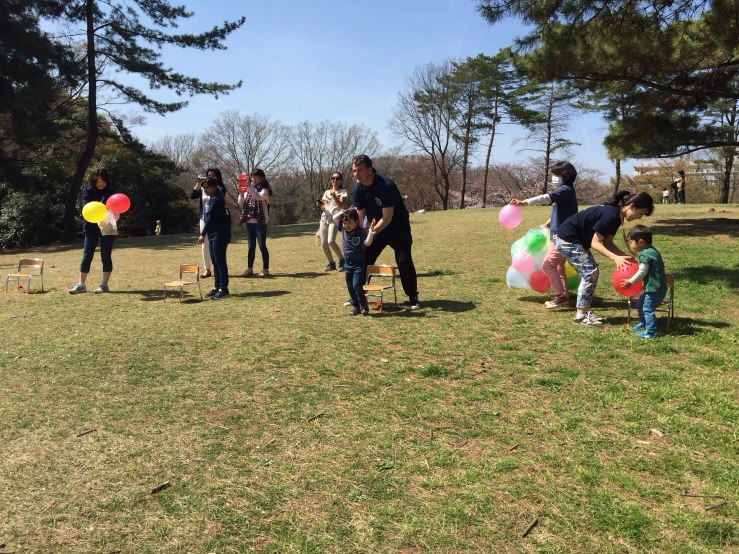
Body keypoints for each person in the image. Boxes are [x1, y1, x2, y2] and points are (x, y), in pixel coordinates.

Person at [554, 190, 655, 326]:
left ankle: (583, 313)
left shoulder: (617, 217)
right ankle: (581, 316)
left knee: (591, 273)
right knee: (590, 274)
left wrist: (624, 257)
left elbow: (608, 242)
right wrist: (615, 258)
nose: (640, 217)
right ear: (631, 206)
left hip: (573, 240)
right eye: (641, 213)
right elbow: (595, 243)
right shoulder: (611, 215)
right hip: (567, 239)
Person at [351, 154, 420, 310]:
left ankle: (413, 297)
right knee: (364, 256)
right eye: (354, 171)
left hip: (397, 226)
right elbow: (359, 217)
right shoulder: (357, 189)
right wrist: (359, 234)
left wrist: (371, 233)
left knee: (403, 259)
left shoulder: (386, 185)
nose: (356, 174)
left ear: (370, 169)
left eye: (359, 170)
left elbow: (387, 218)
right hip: (376, 226)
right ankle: (358, 295)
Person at [510, 161, 579, 309]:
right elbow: (564, 212)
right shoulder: (567, 190)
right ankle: (564, 295)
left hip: (562, 237)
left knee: (548, 265)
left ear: (564, 175)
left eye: (555, 174)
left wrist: (524, 202)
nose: (553, 177)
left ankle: (560, 296)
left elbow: (545, 198)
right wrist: (549, 221)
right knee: (559, 266)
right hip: (563, 235)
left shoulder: (564, 190)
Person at [69, 168, 118, 294]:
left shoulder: (111, 192)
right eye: (98, 181)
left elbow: (115, 207)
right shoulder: (88, 191)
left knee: (105, 255)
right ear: (94, 180)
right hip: (91, 227)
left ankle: (104, 285)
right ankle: (81, 285)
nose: (100, 184)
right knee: (87, 255)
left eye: (103, 181)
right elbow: (85, 206)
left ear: (107, 181)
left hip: (108, 225)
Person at [620, 225, 667, 339]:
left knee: (647, 309)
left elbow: (642, 272)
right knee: (640, 304)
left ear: (641, 242)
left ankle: (650, 332)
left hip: (654, 289)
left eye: (631, 241)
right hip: (655, 287)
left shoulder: (645, 254)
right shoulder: (651, 250)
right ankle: (643, 323)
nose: (630, 244)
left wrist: (630, 282)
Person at [197, 176, 232, 299]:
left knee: (220, 262)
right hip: (213, 234)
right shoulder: (212, 198)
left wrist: (202, 234)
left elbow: (210, 219)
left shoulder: (217, 200)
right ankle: (217, 287)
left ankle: (224, 289)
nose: (205, 190)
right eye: (204, 188)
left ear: (214, 187)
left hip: (220, 234)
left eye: (207, 187)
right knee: (215, 262)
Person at [190, 168, 227, 278]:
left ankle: (218, 269)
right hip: (203, 218)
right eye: (209, 176)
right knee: (204, 245)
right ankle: (207, 269)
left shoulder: (220, 188)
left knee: (216, 246)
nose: (210, 177)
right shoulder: (203, 187)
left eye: (213, 176)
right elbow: (192, 196)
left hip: (215, 220)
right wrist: (198, 183)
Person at [339, 208, 376, 315]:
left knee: (356, 285)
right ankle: (355, 306)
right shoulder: (343, 231)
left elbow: (367, 243)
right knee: (350, 287)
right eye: (344, 223)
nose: (346, 225)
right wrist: (343, 211)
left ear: (356, 222)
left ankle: (363, 305)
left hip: (358, 265)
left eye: (349, 222)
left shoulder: (360, 232)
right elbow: (334, 218)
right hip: (347, 265)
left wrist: (371, 233)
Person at [238, 168, 272, 277]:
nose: (253, 179)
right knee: (251, 247)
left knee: (262, 246)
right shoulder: (249, 189)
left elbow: (258, 197)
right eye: (252, 176)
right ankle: (249, 269)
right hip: (249, 221)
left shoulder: (265, 189)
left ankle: (265, 269)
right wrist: (241, 194)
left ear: (262, 178)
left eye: (256, 177)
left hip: (260, 222)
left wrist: (249, 187)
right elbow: (241, 204)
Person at [318, 172, 348, 271]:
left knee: (331, 241)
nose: (335, 180)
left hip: (334, 219)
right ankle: (331, 263)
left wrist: (334, 196)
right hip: (324, 219)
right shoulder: (327, 192)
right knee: (324, 243)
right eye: (333, 178)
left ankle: (342, 260)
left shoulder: (343, 191)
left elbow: (341, 205)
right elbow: (324, 205)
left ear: (341, 180)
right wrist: (320, 205)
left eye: (337, 178)